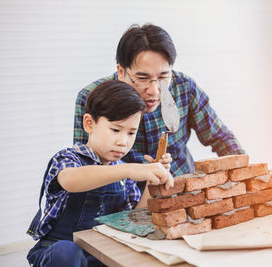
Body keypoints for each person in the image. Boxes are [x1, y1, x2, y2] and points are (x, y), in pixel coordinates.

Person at [73, 23, 245, 194]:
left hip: (182, 189)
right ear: (121, 71)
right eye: (142, 78)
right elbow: (84, 168)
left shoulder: (184, 87)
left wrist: (245, 177)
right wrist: (134, 170)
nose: (154, 91)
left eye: (164, 76)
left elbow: (221, 138)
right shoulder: (93, 98)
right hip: (122, 199)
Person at [27, 80, 174, 267]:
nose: (123, 141)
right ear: (89, 124)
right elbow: (71, 180)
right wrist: (129, 169)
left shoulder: (123, 174)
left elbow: (132, 220)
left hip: (102, 254)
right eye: (115, 130)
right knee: (65, 253)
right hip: (60, 253)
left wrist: (151, 186)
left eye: (131, 133)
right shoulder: (68, 158)